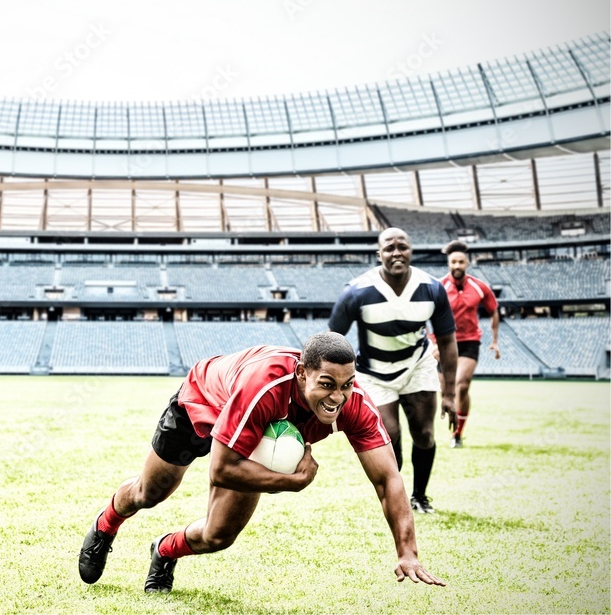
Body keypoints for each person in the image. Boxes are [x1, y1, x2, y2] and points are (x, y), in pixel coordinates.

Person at [78, 333, 446, 594]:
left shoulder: (354, 404)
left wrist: (407, 551)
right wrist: (292, 482)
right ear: (302, 373)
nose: (338, 397)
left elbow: (388, 479)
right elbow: (221, 469)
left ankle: (164, 550)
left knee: (219, 535)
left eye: (347, 384)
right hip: (204, 402)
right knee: (151, 491)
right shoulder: (267, 386)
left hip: (255, 433)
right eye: (327, 384)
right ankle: (106, 524)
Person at [328, 228, 458, 515]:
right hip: (373, 372)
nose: (397, 252)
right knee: (389, 432)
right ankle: (395, 492)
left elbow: (448, 341)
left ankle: (420, 496)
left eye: (403, 247)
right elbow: (332, 339)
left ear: (411, 251)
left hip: (418, 365)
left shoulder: (433, 288)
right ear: (379, 254)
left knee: (424, 434)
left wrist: (450, 394)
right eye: (389, 248)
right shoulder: (356, 291)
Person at [434, 240, 500, 448]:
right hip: (445, 342)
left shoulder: (479, 287)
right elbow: (426, 314)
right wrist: (432, 341)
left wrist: (495, 341)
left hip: (470, 341)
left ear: (467, 263)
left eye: (461, 262)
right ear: (448, 263)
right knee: (445, 390)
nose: (457, 266)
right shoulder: (438, 286)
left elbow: (494, 311)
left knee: (461, 385)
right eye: (453, 262)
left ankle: (457, 434)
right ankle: (449, 420)